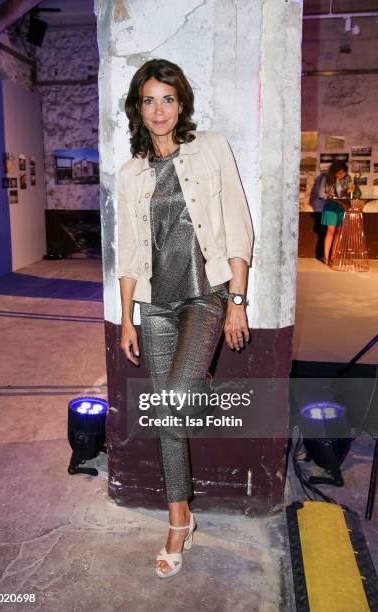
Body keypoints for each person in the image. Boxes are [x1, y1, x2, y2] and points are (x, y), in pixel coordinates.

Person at [116, 59, 254, 578]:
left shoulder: (211, 149)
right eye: (149, 100)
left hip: (204, 297)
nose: (159, 110)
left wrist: (236, 303)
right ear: (138, 107)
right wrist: (127, 320)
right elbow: (129, 251)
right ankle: (180, 521)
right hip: (155, 306)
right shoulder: (131, 173)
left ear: (182, 103)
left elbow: (239, 226)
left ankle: (193, 377)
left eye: (168, 99)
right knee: (166, 418)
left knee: (174, 400)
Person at [319, 160, 353, 264]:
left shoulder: (348, 178)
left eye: (343, 173)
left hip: (342, 207)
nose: (341, 175)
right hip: (330, 206)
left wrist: (350, 192)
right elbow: (320, 194)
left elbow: (350, 193)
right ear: (333, 172)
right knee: (330, 231)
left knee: (339, 232)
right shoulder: (326, 179)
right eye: (339, 173)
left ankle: (333, 256)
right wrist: (327, 195)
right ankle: (326, 257)